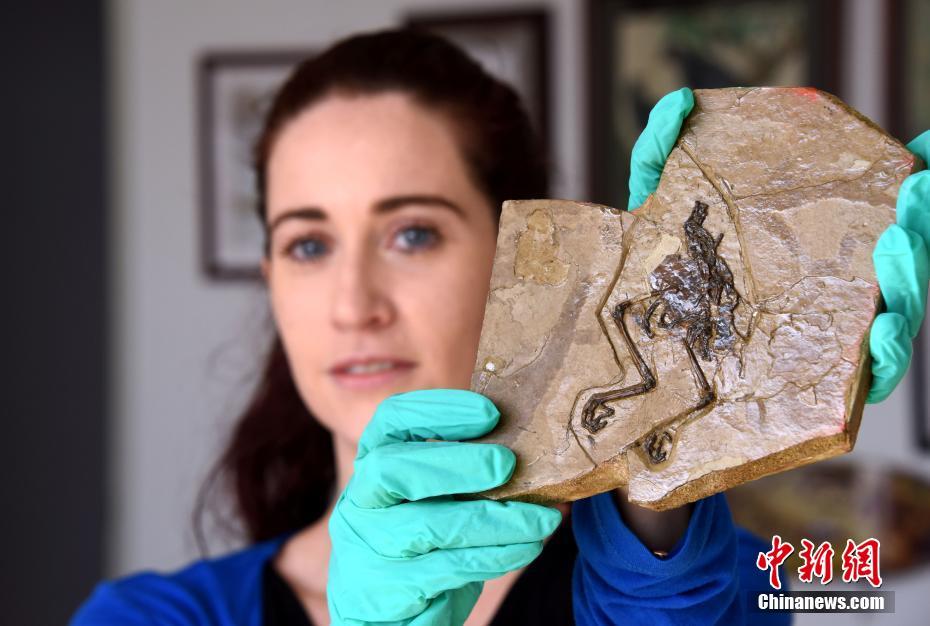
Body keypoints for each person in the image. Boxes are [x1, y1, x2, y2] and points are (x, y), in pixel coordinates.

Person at [71, 28, 929, 625]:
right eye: (307, 244)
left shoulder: (735, 589)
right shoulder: (153, 617)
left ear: (529, 262)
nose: (351, 302)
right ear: (271, 281)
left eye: (413, 234)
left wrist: (662, 464)